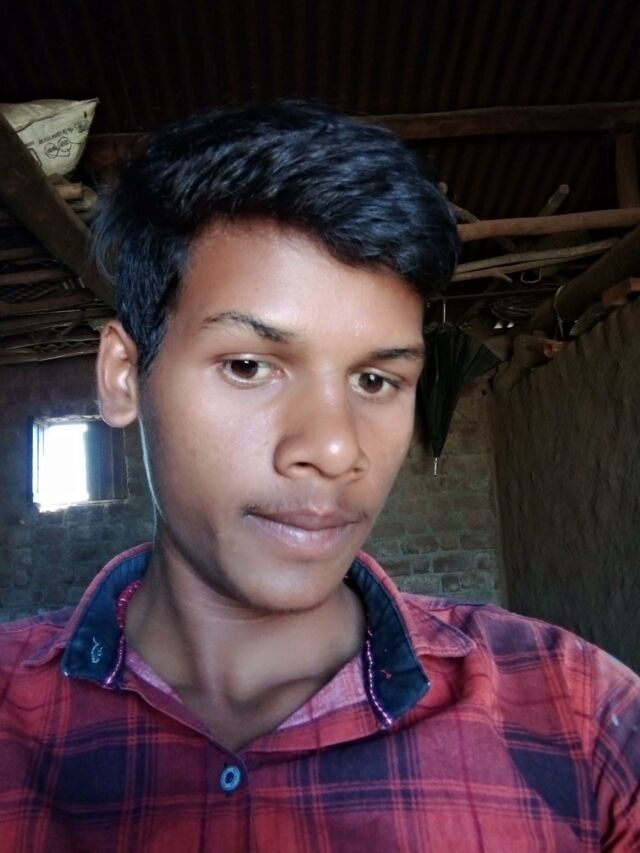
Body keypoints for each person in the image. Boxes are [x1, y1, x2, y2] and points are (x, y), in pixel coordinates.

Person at [0, 100, 638, 853]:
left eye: (375, 380)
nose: (335, 449)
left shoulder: (579, 715)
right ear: (122, 376)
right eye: (249, 366)